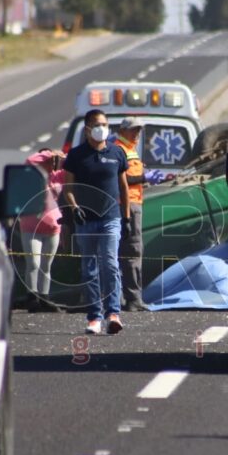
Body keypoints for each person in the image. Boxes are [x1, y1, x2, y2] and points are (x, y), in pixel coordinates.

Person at [62, 109, 130, 335]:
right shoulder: (76, 155)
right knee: (89, 269)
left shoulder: (117, 153)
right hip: (86, 220)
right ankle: (94, 317)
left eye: (105, 124)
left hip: (111, 218)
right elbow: (68, 188)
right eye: (97, 124)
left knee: (110, 264)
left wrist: (127, 218)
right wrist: (74, 208)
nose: (102, 128)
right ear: (88, 129)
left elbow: (124, 187)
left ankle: (113, 314)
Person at [113, 116, 166, 312]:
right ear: (123, 130)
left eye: (139, 129)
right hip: (127, 204)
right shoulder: (119, 149)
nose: (137, 133)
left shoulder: (129, 149)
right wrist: (144, 177)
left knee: (127, 251)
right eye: (134, 129)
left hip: (132, 203)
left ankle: (126, 297)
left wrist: (146, 178)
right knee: (132, 250)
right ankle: (133, 299)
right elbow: (121, 179)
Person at [13, 148, 66, 312]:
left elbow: (73, 165)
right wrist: (49, 155)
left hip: (53, 226)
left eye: (52, 161)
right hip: (31, 225)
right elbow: (31, 160)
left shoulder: (58, 176)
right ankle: (32, 296)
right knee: (33, 263)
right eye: (47, 161)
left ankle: (44, 297)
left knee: (46, 265)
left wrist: (63, 157)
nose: (51, 164)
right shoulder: (32, 176)